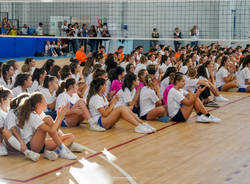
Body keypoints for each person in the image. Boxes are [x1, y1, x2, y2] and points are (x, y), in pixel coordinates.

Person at [17, 92, 77, 160]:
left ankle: (55, 152)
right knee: (47, 119)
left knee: (70, 136)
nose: (46, 103)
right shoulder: (32, 115)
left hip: (40, 143)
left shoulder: (40, 113)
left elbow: (55, 131)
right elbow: (52, 130)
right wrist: (60, 116)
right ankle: (62, 148)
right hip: (31, 146)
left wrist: (59, 116)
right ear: (38, 104)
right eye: (45, 101)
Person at [87, 78, 155, 133]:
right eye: (105, 85)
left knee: (123, 108)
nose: (106, 86)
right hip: (100, 122)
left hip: (104, 120)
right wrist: (113, 104)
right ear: (101, 86)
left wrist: (113, 101)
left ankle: (142, 124)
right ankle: (138, 126)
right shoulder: (95, 98)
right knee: (121, 108)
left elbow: (107, 108)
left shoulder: (102, 96)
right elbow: (104, 113)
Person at [2, 93, 40, 161]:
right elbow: (13, 129)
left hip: (23, 141)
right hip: (12, 142)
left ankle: (50, 152)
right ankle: (27, 153)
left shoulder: (28, 113)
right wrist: (22, 142)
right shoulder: (12, 112)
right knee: (5, 131)